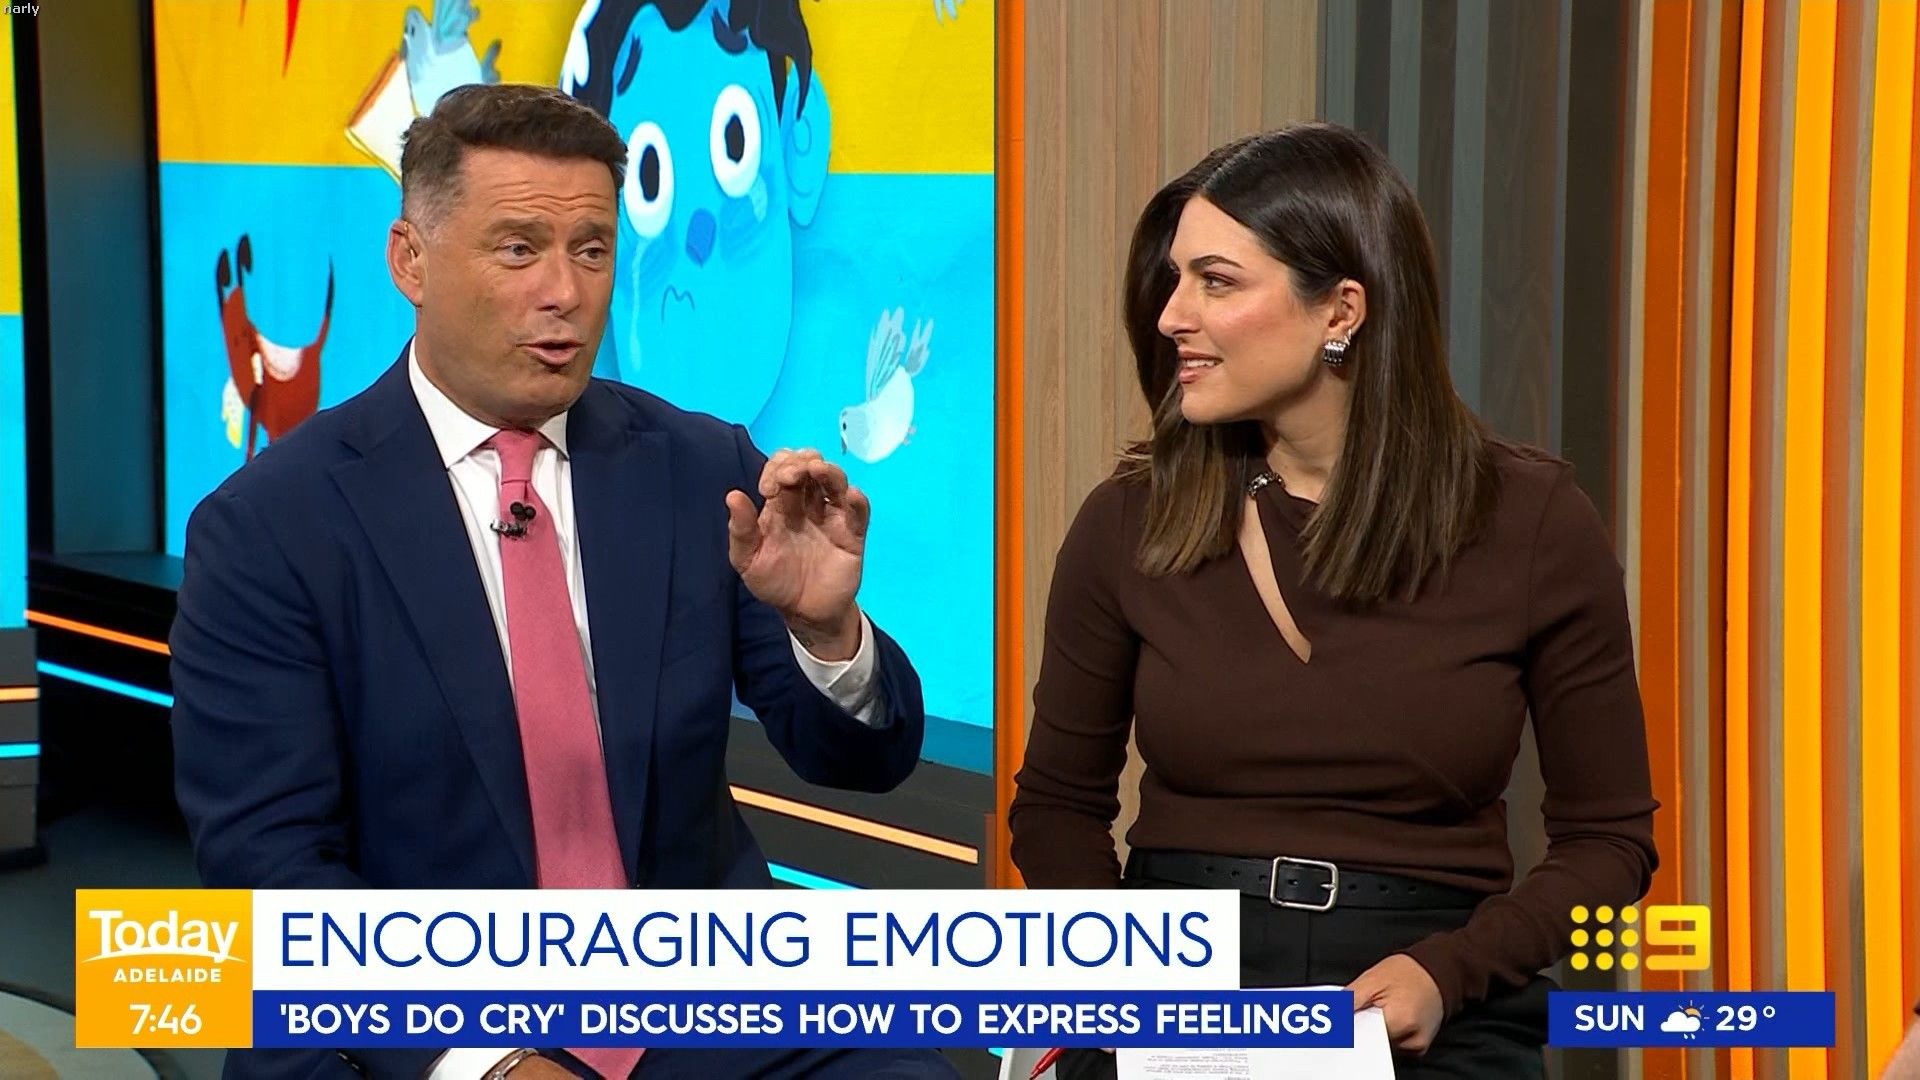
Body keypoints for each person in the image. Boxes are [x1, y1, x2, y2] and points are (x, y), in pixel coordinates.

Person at [171, 83, 957, 1080]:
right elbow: (270, 868)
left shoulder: (699, 470)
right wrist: (485, 1060)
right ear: (410, 261)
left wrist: (826, 633)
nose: (566, 293)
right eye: (518, 250)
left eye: (591, 250)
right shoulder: (270, 528)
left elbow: (860, 762)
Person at [1009, 123, 1659, 1079]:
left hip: (1433, 985)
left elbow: (1610, 842)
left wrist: (1450, 973)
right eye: (1175, 280)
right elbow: (1056, 808)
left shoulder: (1533, 522)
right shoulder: (1128, 519)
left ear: (1340, 312)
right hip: (1178, 974)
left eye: (1216, 282)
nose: (1172, 315)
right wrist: (1129, 984)